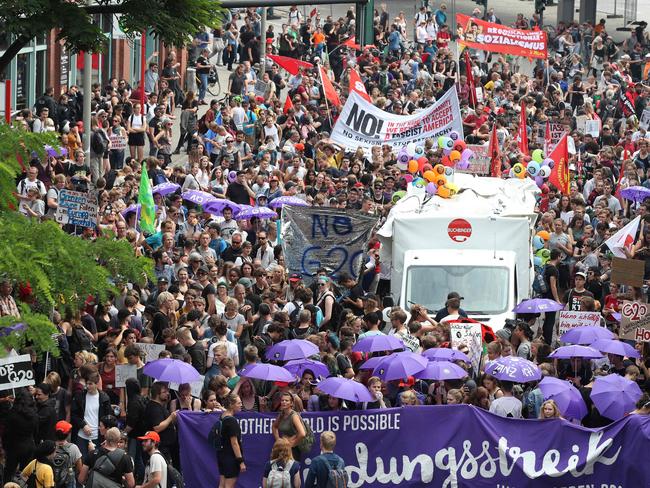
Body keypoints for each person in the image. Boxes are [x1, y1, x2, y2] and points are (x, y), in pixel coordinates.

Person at [214, 394, 245, 487]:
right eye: (239, 403)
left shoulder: (222, 416)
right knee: (229, 485)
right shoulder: (232, 421)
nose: (241, 405)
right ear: (231, 405)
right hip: (231, 458)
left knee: (222, 485)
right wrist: (241, 461)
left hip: (222, 456)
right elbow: (234, 443)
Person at [272, 392, 306, 461]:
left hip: (293, 450)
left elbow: (302, 434)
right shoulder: (281, 414)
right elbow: (274, 427)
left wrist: (292, 444)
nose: (284, 402)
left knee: (293, 470)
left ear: (291, 403)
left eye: (286, 400)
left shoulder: (294, 416)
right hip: (283, 448)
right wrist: (278, 440)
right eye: (282, 400)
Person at [52, 421, 83, 488]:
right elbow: (79, 469)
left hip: (52, 482)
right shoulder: (74, 448)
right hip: (68, 483)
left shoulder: (50, 447)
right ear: (68, 434)